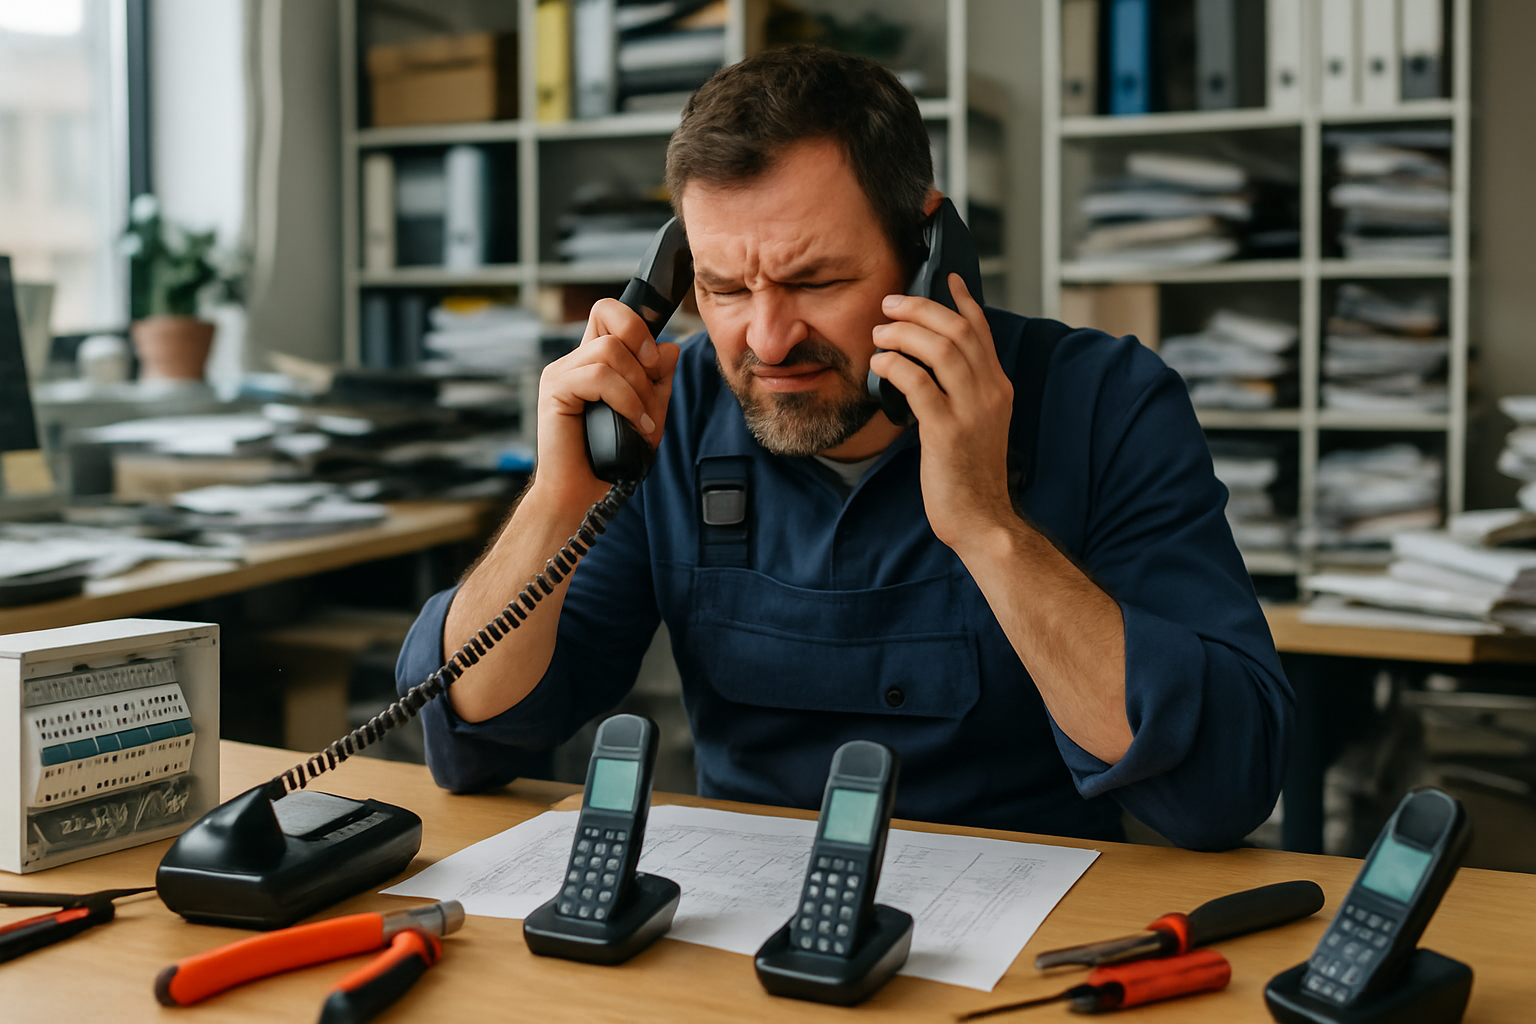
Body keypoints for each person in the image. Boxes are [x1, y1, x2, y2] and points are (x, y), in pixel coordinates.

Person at [397, 45, 1293, 849]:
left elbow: (1220, 790)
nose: (768, 339)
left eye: (815, 279)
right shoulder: (670, 412)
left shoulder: (1105, 401)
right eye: (723, 287)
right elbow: (472, 735)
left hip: (1030, 937)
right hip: (747, 940)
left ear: (929, 249)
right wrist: (559, 501)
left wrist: (987, 526)